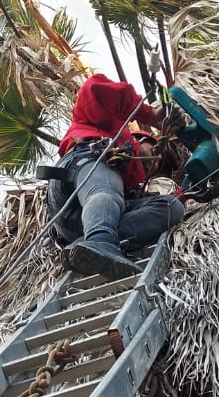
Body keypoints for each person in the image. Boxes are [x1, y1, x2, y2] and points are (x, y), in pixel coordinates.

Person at [45, 74, 185, 279]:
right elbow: (95, 90)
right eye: (152, 151)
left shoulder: (125, 183)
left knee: (172, 207)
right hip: (79, 171)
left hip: (80, 227)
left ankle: (91, 243)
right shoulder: (103, 124)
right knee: (106, 191)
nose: (152, 163)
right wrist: (150, 115)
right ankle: (100, 239)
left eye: (155, 167)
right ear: (137, 141)